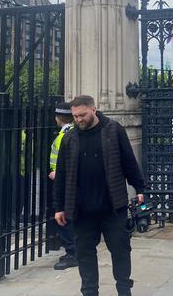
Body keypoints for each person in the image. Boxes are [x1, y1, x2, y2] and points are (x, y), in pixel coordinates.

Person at [54, 95, 145, 296]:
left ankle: (123, 289)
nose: (79, 120)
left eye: (82, 115)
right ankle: (89, 292)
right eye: (75, 116)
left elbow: (129, 161)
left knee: (120, 250)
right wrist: (59, 206)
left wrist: (139, 188)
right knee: (85, 254)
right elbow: (61, 174)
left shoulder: (114, 130)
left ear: (94, 110)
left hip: (112, 206)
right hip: (81, 209)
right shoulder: (70, 138)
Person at [48, 101, 77, 270]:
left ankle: (73, 252)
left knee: (64, 216)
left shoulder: (66, 135)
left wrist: (58, 172)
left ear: (57, 117)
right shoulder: (70, 132)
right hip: (64, 180)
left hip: (64, 181)